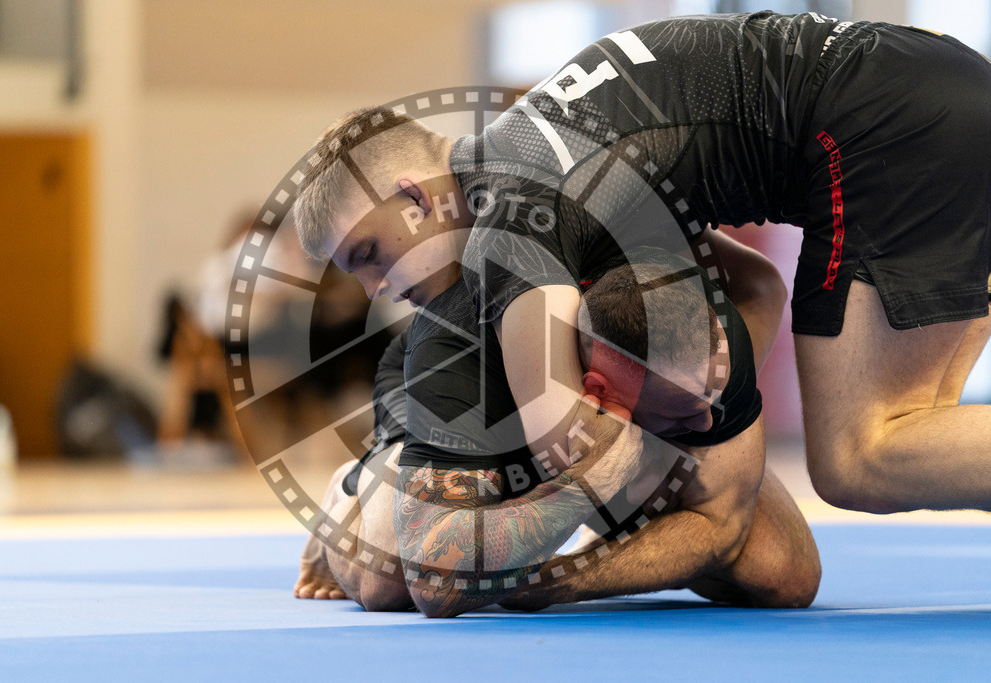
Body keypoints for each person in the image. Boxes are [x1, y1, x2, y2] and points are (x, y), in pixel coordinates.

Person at [293, 11, 991, 515]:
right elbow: (757, 284)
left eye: (368, 254)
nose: (376, 289)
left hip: (886, 120)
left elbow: (570, 456)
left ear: (414, 198)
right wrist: (711, 413)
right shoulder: (540, 171)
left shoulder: (506, 224)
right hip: (931, 86)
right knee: (927, 433)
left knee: (857, 458)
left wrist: (403, 500)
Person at [294, 254, 820, 616]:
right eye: (684, 415)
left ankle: (615, 504)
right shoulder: (462, 362)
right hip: (445, 389)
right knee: (386, 584)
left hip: (613, 376)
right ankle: (354, 484)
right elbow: (436, 585)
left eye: (706, 402)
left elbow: (720, 524)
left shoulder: (706, 343)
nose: (704, 426)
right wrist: (583, 488)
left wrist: (552, 581)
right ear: (597, 395)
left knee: (780, 571)